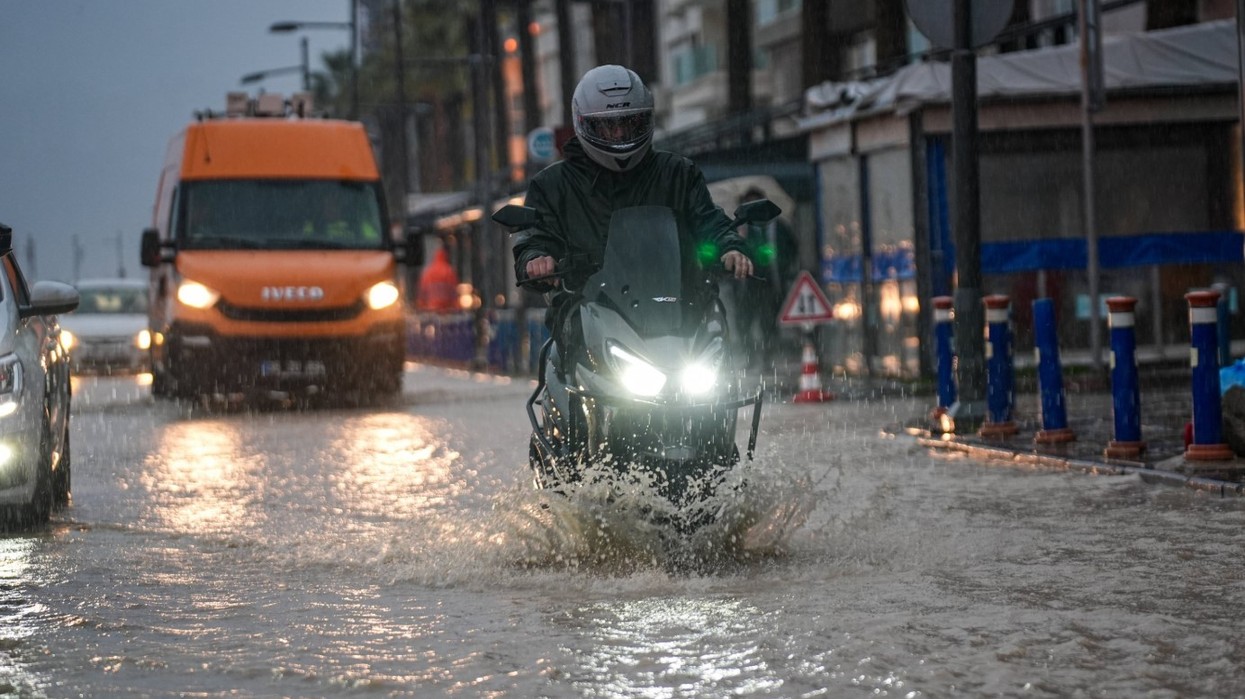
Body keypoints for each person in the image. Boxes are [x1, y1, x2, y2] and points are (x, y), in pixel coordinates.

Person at [512, 64, 753, 374]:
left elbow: (709, 220)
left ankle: (717, 419)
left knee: (715, 380)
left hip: (677, 309)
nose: (620, 134)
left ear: (646, 121)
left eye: (629, 123)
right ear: (583, 125)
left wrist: (730, 247)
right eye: (608, 127)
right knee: (572, 373)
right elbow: (535, 235)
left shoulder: (678, 173)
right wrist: (536, 258)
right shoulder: (552, 185)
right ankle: (576, 418)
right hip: (589, 312)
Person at [729, 186, 799, 367]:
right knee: (744, 323)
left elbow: (790, 250)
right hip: (745, 284)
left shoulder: (777, 226)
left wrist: (778, 262)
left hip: (769, 283)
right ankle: (750, 358)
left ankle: (767, 358)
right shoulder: (737, 227)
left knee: (768, 323)